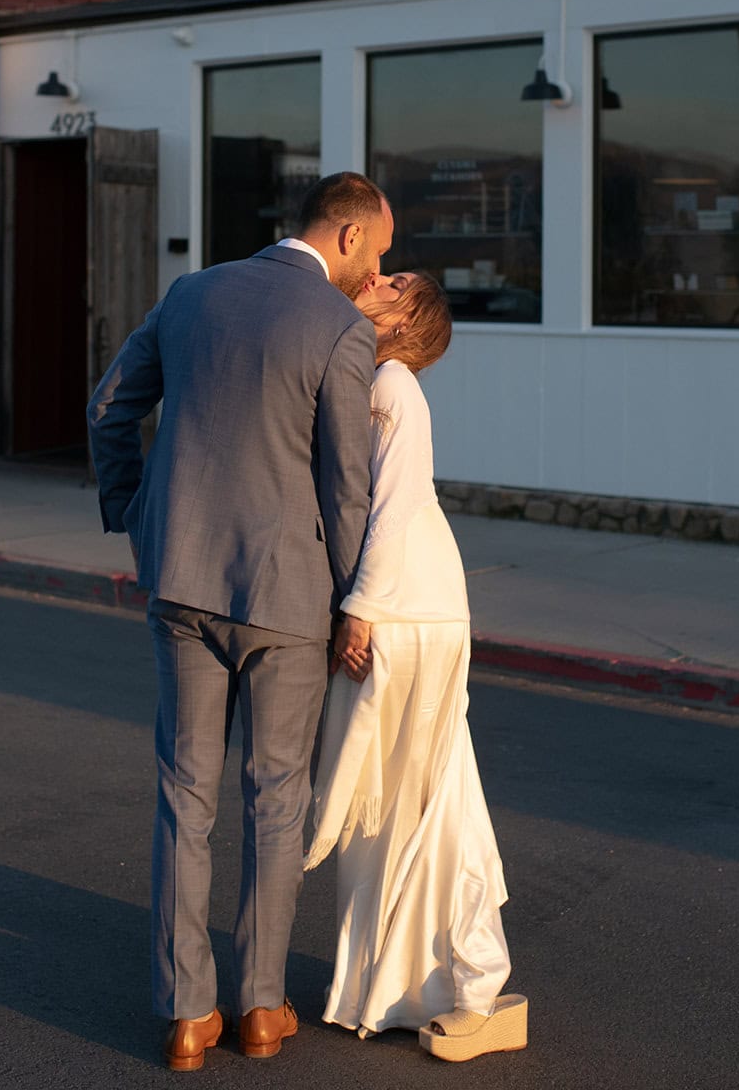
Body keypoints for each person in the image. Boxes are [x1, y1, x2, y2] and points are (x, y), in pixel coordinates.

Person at [86, 172, 394, 1071]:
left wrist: (135, 512)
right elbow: (345, 486)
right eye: (375, 253)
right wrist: (351, 600)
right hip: (288, 598)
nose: (377, 271)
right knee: (275, 797)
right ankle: (260, 1007)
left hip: (179, 580)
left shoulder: (191, 293)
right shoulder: (337, 328)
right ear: (341, 238)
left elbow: (110, 405)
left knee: (185, 795)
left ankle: (187, 1015)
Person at [304, 271, 528, 1063]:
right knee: (398, 798)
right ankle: (402, 986)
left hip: (409, 607)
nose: (377, 276)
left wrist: (357, 608)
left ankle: (474, 983)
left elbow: (394, 505)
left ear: (405, 322)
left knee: (421, 796)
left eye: (394, 282)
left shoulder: (393, 386)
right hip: (407, 600)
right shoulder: (365, 376)